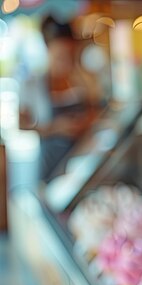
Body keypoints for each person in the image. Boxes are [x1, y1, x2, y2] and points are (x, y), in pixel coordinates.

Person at [19, 16, 101, 182]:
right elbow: (21, 125)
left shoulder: (83, 79)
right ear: (48, 50)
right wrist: (56, 128)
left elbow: (98, 110)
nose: (66, 60)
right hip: (51, 161)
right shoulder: (31, 84)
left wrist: (86, 123)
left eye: (70, 54)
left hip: (82, 160)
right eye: (60, 55)